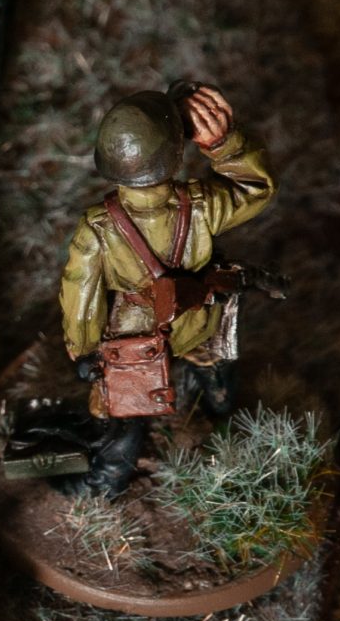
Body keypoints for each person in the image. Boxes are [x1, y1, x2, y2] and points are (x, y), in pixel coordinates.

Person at [53, 83, 276, 498]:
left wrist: (84, 350)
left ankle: (105, 481)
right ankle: (222, 417)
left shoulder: (97, 228)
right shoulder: (203, 203)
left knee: (118, 409)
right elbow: (255, 188)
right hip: (197, 321)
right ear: (176, 153)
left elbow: (80, 296)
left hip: (135, 340)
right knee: (213, 362)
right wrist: (224, 145)